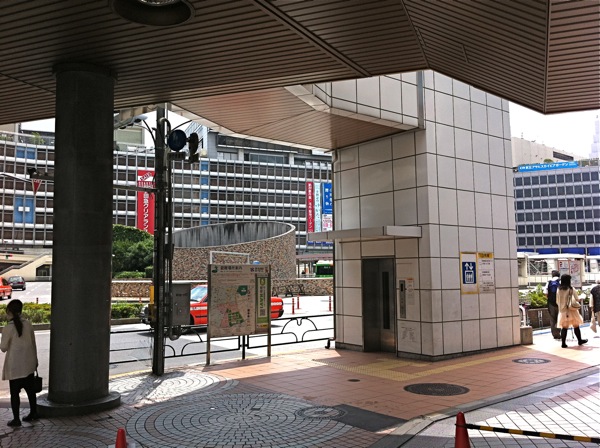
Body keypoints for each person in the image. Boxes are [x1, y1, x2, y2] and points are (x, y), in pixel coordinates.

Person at [0, 299, 39, 426]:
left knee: (15, 394)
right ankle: (33, 413)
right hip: (28, 364)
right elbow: (33, 344)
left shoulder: (8, 328)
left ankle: (16, 419)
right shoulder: (28, 324)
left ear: (9, 311)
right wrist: (35, 360)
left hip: (15, 366)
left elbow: (3, 348)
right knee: (31, 391)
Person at [556, 274, 587, 348]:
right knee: (576, 326)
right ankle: (579, 340)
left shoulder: (558, 289)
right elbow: (577, 299)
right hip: (571, 310)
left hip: (562, 311)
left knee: (564, 327)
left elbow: (557, 300)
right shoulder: (571, 289)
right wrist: (582, 297)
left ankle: (563, 343)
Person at [543, 270, 561, 340]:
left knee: (552, 319)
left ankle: (554, 334)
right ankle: (559, 332)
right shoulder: (560, 281)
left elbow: (545, 293)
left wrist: (550, 298)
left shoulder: (549, 282)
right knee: (560, 317)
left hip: (551, 303)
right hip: (560, 303)